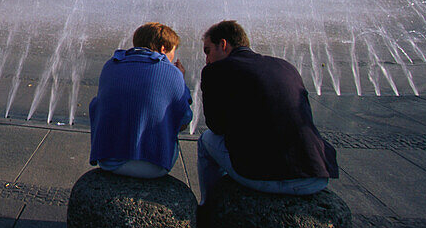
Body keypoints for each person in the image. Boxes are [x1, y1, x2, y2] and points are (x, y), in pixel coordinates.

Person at [197, 20, 338, 204]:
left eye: (208, 51)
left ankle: (208, 209)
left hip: (262, 177)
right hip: (314, 176)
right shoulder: (286, 67)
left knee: (205, 140)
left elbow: (216, 126)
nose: (207, 59)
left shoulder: (215, 70)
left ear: (223, 44)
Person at [89, 22, 191, 178]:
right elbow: (183, 122)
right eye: (173, 52)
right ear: (163, 48)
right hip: (153, 166)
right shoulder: (173, 73)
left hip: (108, 161)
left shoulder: (111, 65)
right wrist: (180, 81)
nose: (172, 58)